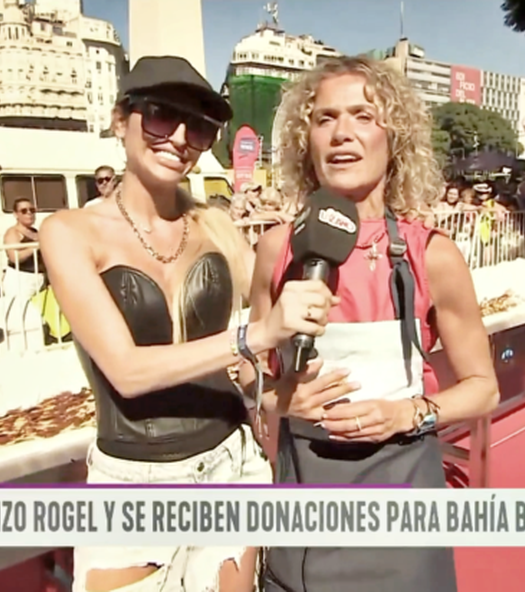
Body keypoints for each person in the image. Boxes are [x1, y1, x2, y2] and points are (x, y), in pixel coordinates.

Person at [39, 55, 332, 592]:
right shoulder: (68, 231)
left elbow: (241, 360)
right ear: (118, 118)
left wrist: (272, 395)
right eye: (159, 116)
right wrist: (255, 336)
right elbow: (126, 371)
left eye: (198, 126)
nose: (178, 137)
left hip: (229, 464)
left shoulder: (217, 226)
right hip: (133, 481)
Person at [249, 56, 499, 592]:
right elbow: (252, 377)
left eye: (363, 116)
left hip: (404, 510)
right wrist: (277, 401)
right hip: (302, 512)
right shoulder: (275, 249)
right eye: (325, 118)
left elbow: (483, 390)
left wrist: (405, 414)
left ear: (395, 139)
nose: (342, 134)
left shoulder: (434, 255)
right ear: (305, 141)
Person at [1, 197, 45, 299]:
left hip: (39, 278)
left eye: (32, 210)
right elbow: (14, 257)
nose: (29, 213)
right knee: (19, 310)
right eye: (24, 211)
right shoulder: (13, 232)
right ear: (16, 214)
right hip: (20, 279)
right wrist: (34, 247)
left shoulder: (36, 232)